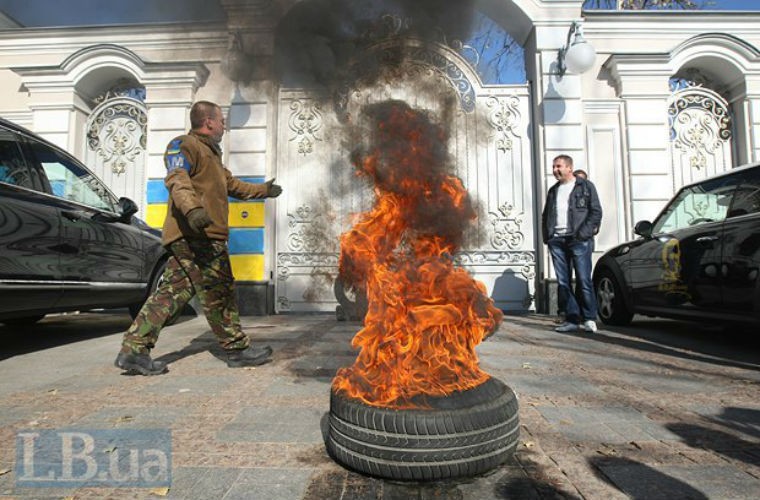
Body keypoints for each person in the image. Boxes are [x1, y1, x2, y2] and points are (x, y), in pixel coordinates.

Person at [115, 100, 283, 375]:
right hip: (198, 235)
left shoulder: (211, 155)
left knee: (173, 292)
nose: (224, 126)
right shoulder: (183, 145)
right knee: (220, 292)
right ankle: (236, 349)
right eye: (221, 121)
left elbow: (233, 186)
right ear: (208, 122)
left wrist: (263, 189)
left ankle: (134, 349)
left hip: (199, 236)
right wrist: (193, 210)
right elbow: (176, 178)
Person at [542, 155, 602, 333]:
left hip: (579, 241)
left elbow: (596, 212)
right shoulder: (553, 190)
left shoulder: (585, 186)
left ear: (569, 168)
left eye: (558, 166)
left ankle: (590, 318)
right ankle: (572, 319)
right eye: (553, 167)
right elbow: (546, 215)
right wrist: (548, 237)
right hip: (557, 241)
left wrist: (583, 234)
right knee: (563, 282)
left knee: (583, 280)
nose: (555, 170)